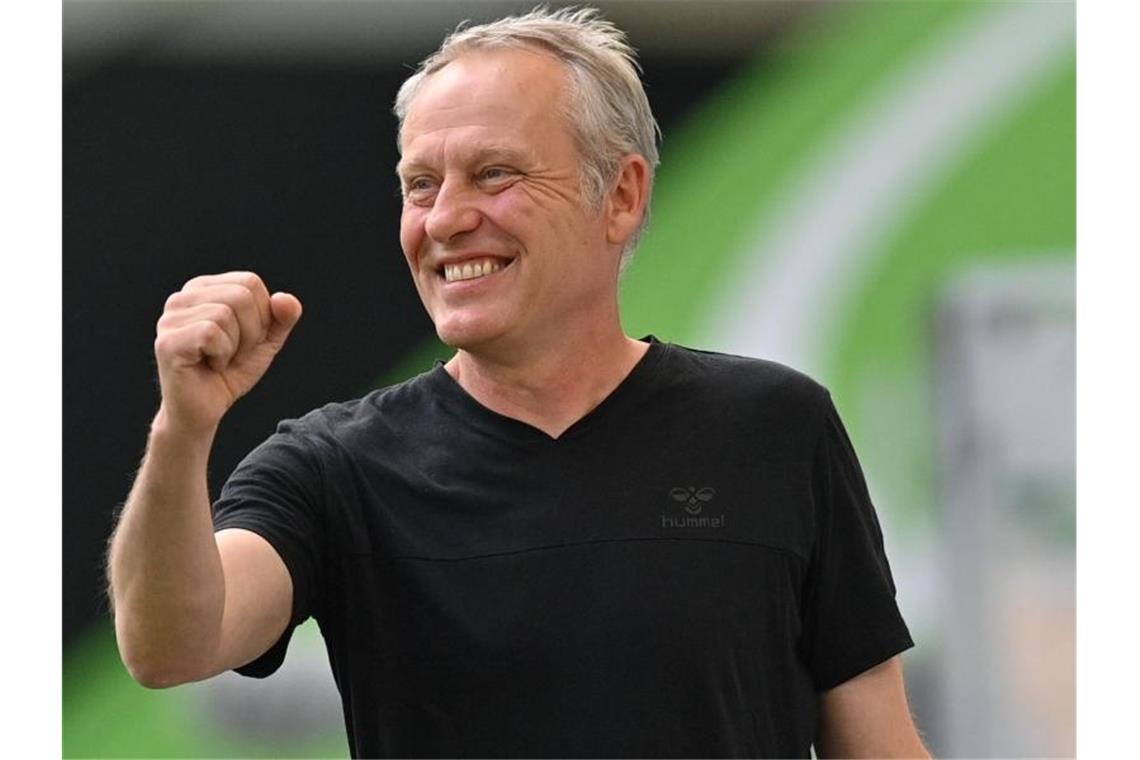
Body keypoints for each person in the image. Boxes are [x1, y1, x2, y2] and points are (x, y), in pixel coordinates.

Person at [107, 7, 929, 758]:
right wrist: (182, 431)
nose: (445, 218)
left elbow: (879, 744)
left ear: (623, 196)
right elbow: (171, 644)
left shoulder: (775, 429)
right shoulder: (335, 468)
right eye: (420, 184)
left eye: (495, 174)